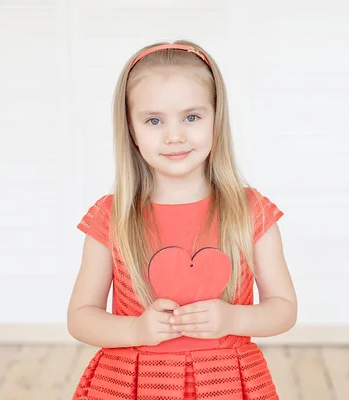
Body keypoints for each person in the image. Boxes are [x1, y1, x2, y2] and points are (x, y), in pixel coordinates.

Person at [67, 39, 297, 399]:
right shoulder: (111, 217)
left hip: (226, 385)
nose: (175, 135)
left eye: (191, 117)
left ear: (215, 118)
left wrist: (232, 320)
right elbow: (81, 317)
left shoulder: (250, 211)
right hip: (131, 385)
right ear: (131, 129)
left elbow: (283, 309)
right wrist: (137, 331)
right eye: (154, 120)